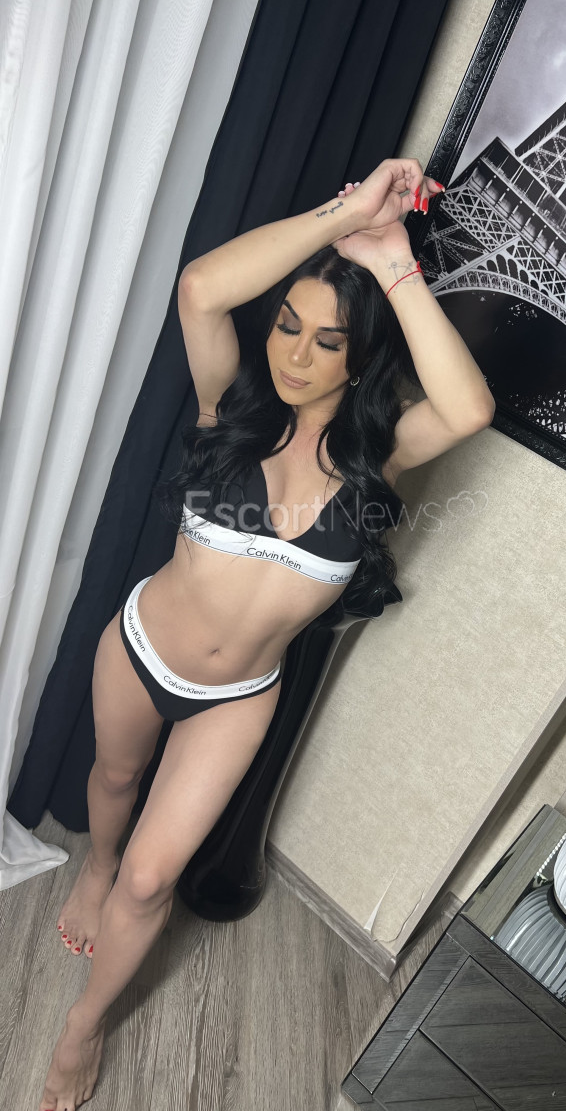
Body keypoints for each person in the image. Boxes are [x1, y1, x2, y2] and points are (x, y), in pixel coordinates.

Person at [38, 157, 495, 1109]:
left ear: (359, 360)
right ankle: (95, 864)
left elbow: (469, 409)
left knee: (153, 883)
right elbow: (202, 288)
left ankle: (83, 1028)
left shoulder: (377, 458)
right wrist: (342, 218)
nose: (294, 355)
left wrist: (391, 259)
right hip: (142, 648)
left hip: (236, 697)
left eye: (327, 342)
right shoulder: (230, 408)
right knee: (113, 784)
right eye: (287, 325)